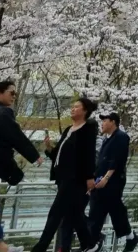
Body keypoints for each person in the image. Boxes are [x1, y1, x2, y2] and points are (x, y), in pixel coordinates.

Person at [0, 80, 42, 252]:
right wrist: (34, 156)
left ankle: (2, 246)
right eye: (11, 93)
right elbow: (16, 136)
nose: (14, 96)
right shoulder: (1, 112)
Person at [30, 96, 101, 252]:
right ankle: (90, 244)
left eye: (76, 106)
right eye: (72, 106)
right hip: (63, 177)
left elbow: (88, 154)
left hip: (75, 178)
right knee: (74, 212)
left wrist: (90, 177)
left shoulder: (87, 129)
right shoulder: (69, 129)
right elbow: (58, 154)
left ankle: (40, 247)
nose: (72, 109)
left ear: (85, 111)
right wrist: (49, 148)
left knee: (55, 212)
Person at [88, 113, 138, 252]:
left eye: (105, 120)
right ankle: (93, 243)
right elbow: (101, 162)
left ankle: (130, 237)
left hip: (113, 182)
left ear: (113, 122)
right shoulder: (106, 139)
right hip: (99, 182)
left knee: (115, 211)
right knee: (97, 212)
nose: (102, 123)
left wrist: (106, 178)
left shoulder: (121, 137)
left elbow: (118, 160)